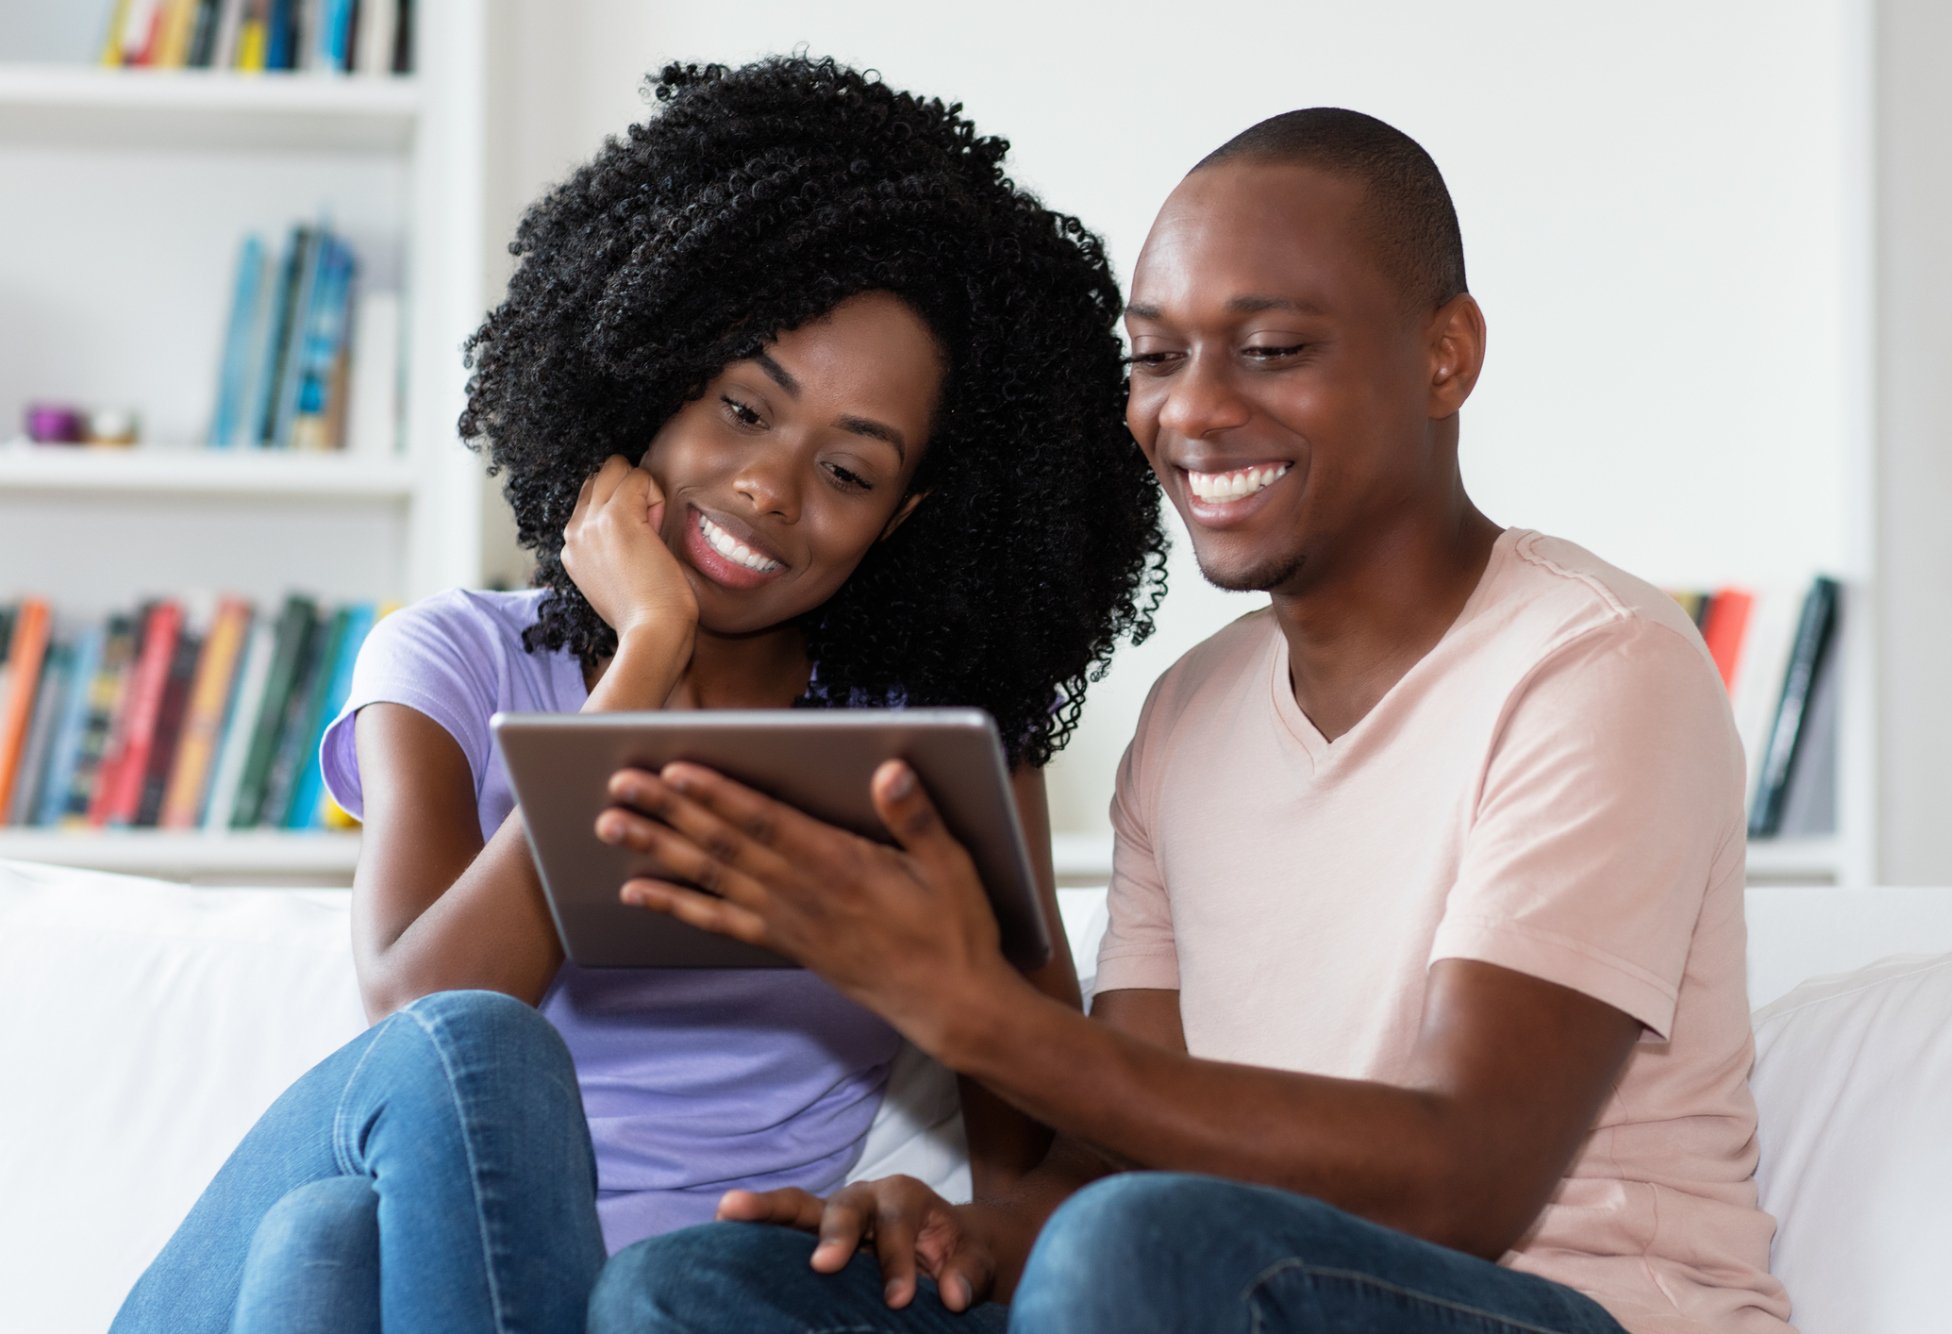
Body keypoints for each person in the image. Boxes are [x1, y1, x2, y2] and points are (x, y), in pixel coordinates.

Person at [585, 108, 1795, 1333]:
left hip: (1562, 1306)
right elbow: (1110, 1161)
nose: (1192, 411)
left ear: (1445, 354)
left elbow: (1462, 1178)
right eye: (1154, 358)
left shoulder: (1595, 663)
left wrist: (975, 1012)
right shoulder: (1186, 718)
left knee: (1137, 1245)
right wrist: (970, 1232)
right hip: (1197, 1282)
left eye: (1268, 348)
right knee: (694, 1286)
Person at [112, 55, 1167, 1334]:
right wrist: (646, 656)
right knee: (444, 1094)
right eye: (738, 406)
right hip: (379, 1235)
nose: (769, 486)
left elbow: (1038, 1150)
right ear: (651, 368)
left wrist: (946, 1214)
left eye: (845, 468)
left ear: (905, 522)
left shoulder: (932, 749)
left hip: (644, 1300)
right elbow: (423, 1012)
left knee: (332, 1249)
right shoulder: (447, 658)